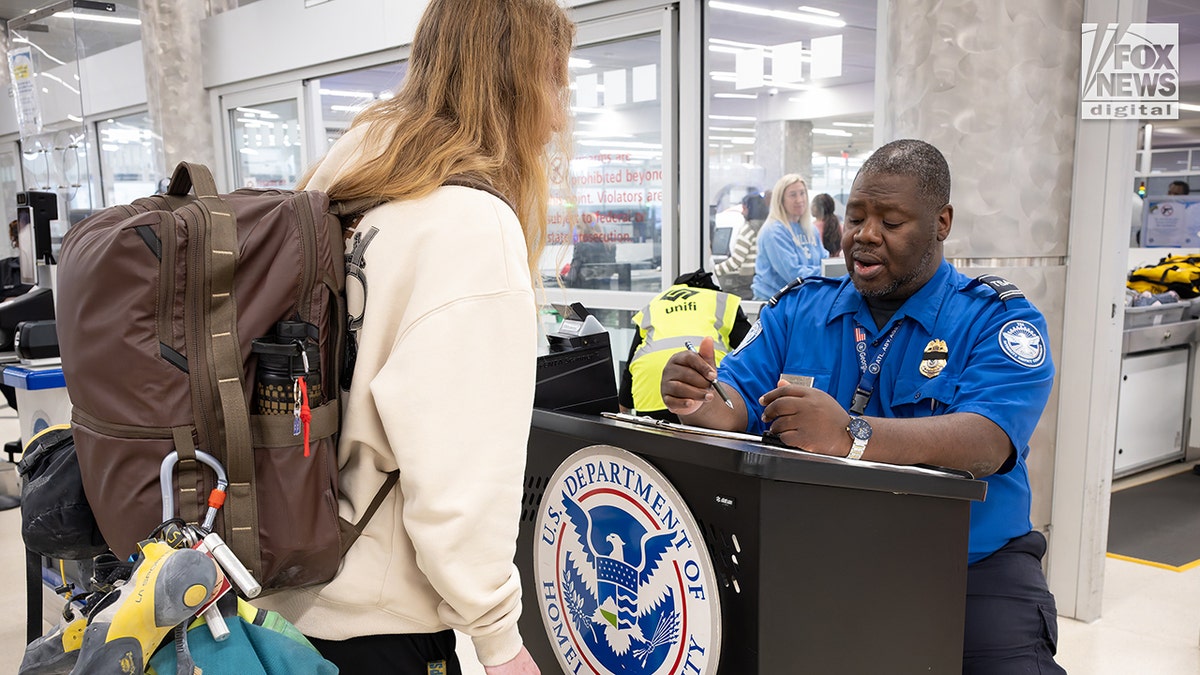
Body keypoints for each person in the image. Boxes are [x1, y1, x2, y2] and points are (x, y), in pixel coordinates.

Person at [661, 139, 1063, 674]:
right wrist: (700, 398)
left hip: (971, 568)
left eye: (891, 221)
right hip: (820, 558)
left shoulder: (995, 320)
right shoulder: (800, 309)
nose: (865, 236)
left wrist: (851, 434)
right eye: (855, 218)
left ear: (940, 223)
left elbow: (987, 441)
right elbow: (737, 401)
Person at [255, 2, 574, 673]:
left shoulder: (344, 180)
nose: (557, 118)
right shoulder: (471, 225)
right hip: (378, 628)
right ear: (515, 83)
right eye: (556, 82)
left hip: (280, 596)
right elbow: (458, 476)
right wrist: (499, 638)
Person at [618, 269, 752, 421]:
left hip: (648, 396)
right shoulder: (720, 300)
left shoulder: (655, 304)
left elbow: (631, 363)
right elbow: (751, 351)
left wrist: (623, 405)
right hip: (705, 394)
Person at [751, 173, 827, 300]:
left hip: (802, 299)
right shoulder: (774, 232)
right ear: (781, 200)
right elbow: (793, 274)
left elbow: (824, 260)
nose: (799, 200)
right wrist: (825, 273)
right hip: (774, 304)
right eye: (793, 195)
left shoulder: (810, 229)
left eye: (802, 193)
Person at [714, 192, 767, 299]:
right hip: (760, 279)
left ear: (749, 209)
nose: (742, 213)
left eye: (744, 208)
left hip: (744, 283)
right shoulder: (767, 228)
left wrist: (714, 270)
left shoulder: (748, 230)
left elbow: (736, 261)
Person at [811, 192, 842, 258]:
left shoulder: (812, 228)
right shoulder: (839, 226)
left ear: (817, 208)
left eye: (813, 204)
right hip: (837, 264)